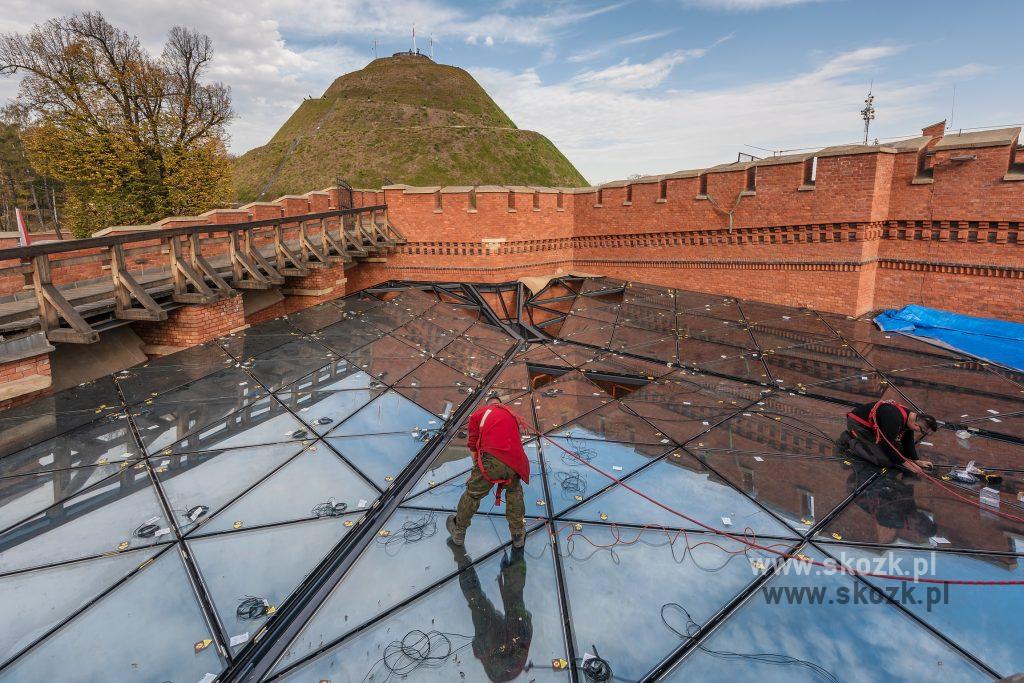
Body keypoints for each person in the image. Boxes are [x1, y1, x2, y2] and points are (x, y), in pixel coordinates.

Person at [447, 395, 530, 549]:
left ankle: (458, 532)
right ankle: (518, 535)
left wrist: (476, 473)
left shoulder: (480, 414)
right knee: (514, 492)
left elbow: (473, 445)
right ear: (500, 403)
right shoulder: (511, 414)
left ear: (487, 404)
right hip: (515, 461)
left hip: (491, 460)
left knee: (473, 495)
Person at [448, 542, 533, 682]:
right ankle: (518, 548)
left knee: (479, 603)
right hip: (509, 638)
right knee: (511, 599)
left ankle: (462, 559)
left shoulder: (498, 670)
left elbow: (483, 650)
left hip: (493, 642)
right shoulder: (518, 640)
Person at [839, 399, 937, 474]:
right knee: (883, 460)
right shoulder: (893, 417)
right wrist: (906, 463)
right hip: (858, 425)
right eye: (923, 432)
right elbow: (886, 443)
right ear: (916, 425)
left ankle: (861, 440)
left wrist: (916, 460)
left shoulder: (911, 417)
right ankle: (848, 439)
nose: (921, 433)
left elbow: (908, 439)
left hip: (873, 427)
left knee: (899, 454)